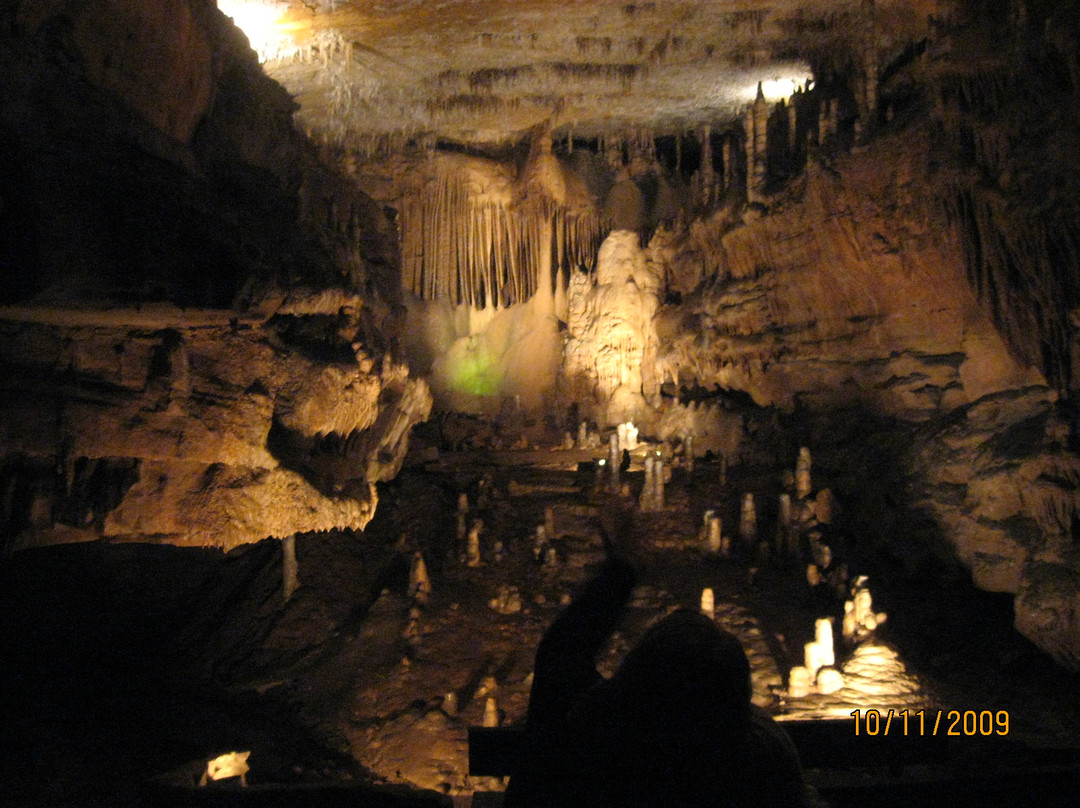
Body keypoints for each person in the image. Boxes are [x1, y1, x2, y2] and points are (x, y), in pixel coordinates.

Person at [503, 516, 810, 808]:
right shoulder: (761, 760)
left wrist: (623, 571)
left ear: (636, 674)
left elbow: (561, 654)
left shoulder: (594, 748)